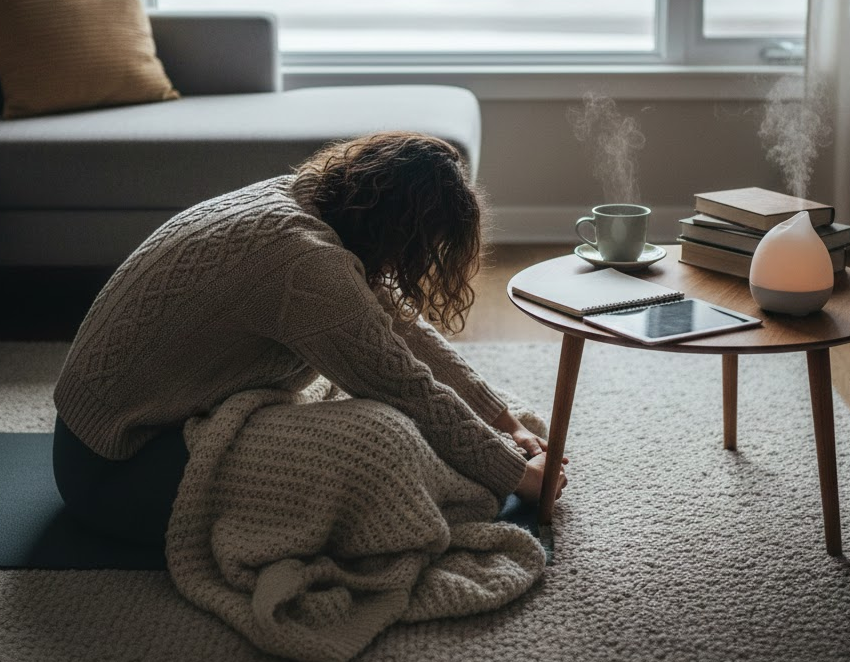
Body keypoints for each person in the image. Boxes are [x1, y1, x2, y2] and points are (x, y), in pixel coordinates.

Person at [52, 131, 568, 546]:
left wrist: (501, 420)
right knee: (381, 439)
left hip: (99, 436)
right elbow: (405, 386)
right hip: (115, 471)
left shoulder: (299, 197)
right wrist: (515, 477)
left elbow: (398, 329)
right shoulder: (305, 264)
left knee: (386, 399)